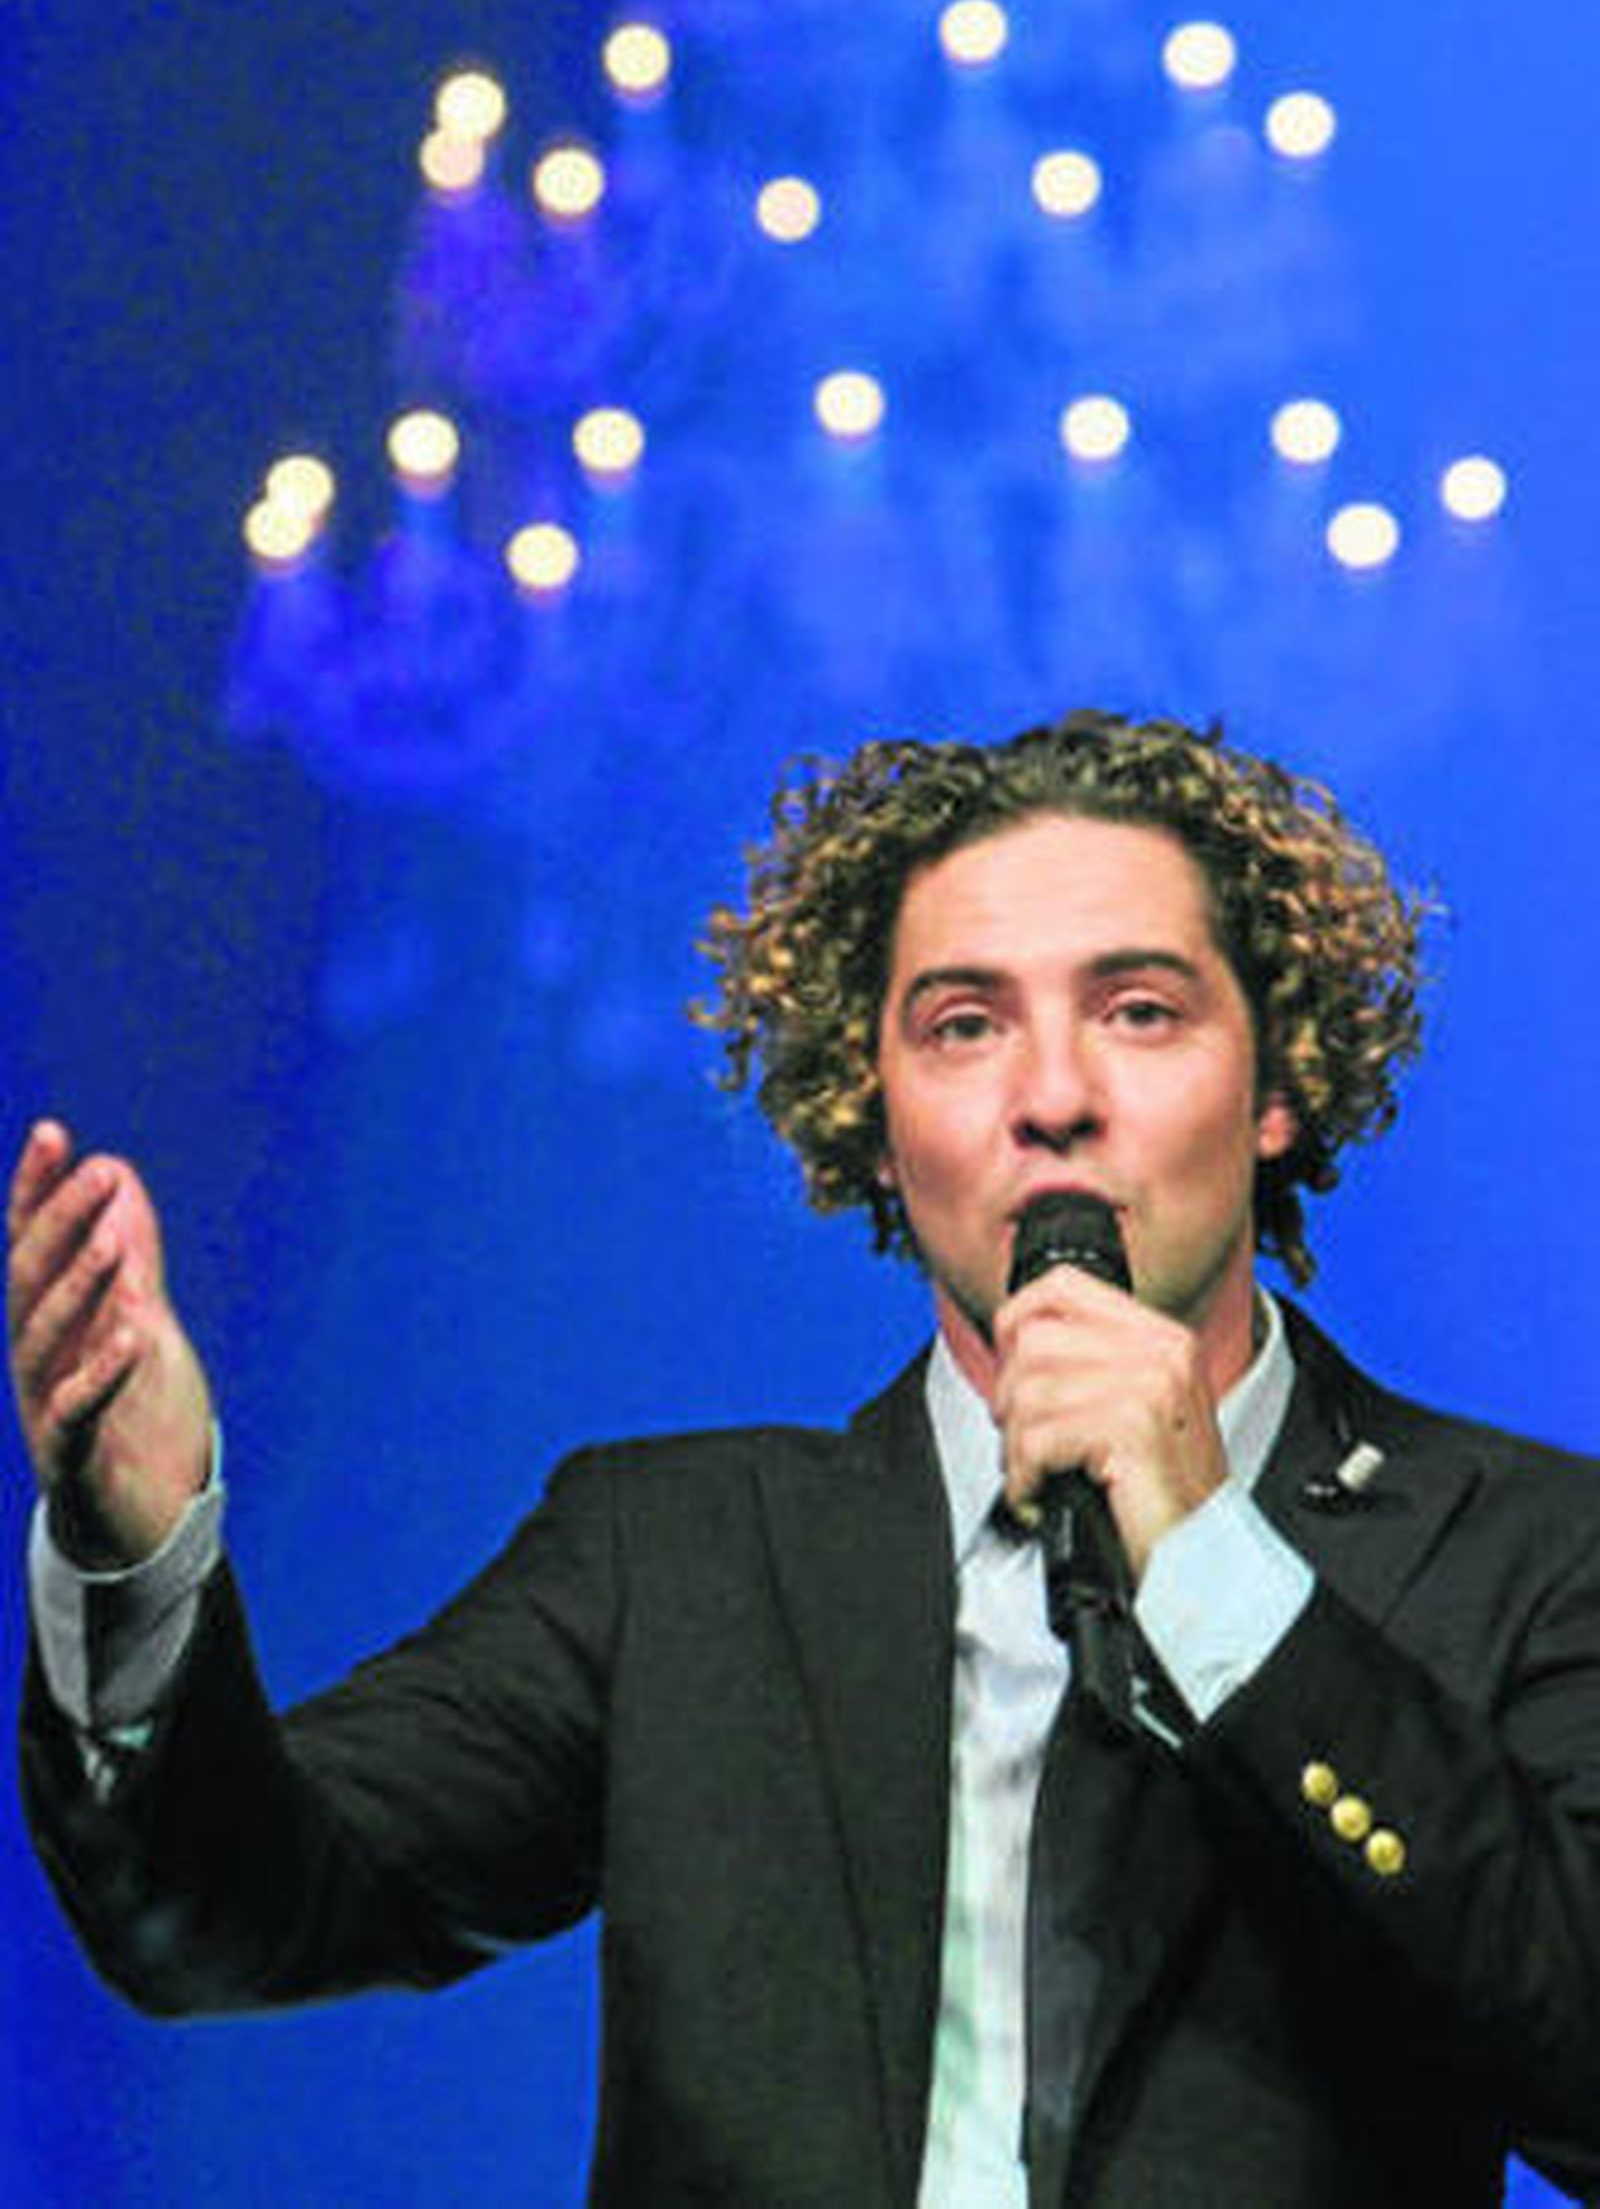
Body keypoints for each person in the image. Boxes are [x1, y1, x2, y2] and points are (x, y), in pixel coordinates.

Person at [11, 710, 1600, 2209]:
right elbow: (224, 1914)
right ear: (878, 1111)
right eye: (965, 1026)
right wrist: (133, 1546)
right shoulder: (674, 1555)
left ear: (1275, 1083)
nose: (1053, 1098)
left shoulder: (1524, 1550)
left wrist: (1211, 1565)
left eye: (1139, 1010)